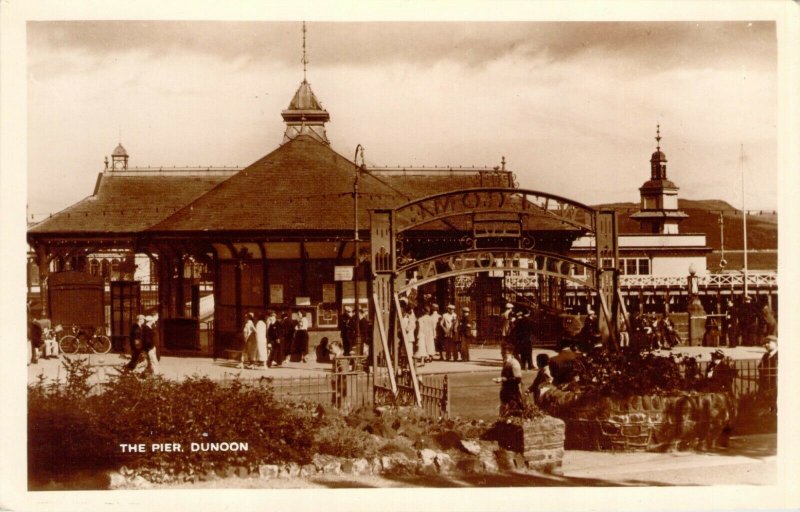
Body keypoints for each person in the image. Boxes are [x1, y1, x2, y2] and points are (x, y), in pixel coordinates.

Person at [494, 344, 523, 414]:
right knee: (505, 410)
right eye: (502, 352)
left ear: (511, 352)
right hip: (506, 391)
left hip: (513, 392)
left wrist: (503, 379)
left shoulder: (514, 363)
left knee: (512, 410)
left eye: (504, 353)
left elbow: (518, 379)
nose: (502, 355)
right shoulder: (507, 362)